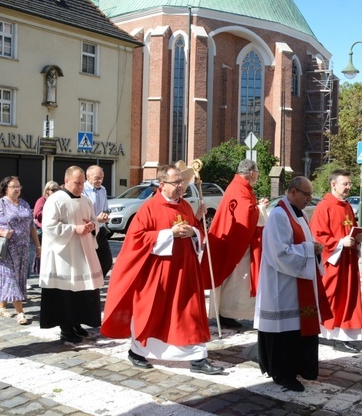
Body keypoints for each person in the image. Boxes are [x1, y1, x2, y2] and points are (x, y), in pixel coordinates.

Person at [101, 164, 223, 375]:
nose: (180, 186)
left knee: (189, 314)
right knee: (152, 314)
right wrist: (170, 234)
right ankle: (137, 352)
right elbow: (136, 239)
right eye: (175, 183)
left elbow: (198, 231)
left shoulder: (184, 205)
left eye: (181, 182)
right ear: (161, 184)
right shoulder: (149, 208)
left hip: (185, 272)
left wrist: (193, 231)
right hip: (159, 275)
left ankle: (197, 358)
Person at [254, 177, 332, 392]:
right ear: (292, 192)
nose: (309, 198)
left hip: (297, 283)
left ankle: (298, 368)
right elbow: (279, 253)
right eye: (306, 194)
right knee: (284, 332)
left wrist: (312, 248)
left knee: (296, 330)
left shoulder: (301, 214)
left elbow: (301, 244)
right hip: (282, 285)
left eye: (310, 194)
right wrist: (310, 249)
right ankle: (282, 373)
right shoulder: (279, 215)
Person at [200, 159, 268, 328]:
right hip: (234, 243)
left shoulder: (240, 186)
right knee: (234, 280)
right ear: (251, 173)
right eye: (257, 172)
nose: (258, 175)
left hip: (236, 241)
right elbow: (245, 214)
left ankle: (227, 313)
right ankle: (226, 313)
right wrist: (260, 208)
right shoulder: (239, 188)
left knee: (235, 280)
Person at [39, 166, 103, 343]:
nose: (81, 187)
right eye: (77, 183)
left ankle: (76, 323)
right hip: (63, 257)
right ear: (66, 181)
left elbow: (94, 221)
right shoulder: (55, 200)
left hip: (82, 253)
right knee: (66, 293)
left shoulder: (86, 201)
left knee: (81, 292)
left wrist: (91, 227)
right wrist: (75, 229)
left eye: (83, 183)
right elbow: (49, 227)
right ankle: (66, 328)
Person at [310, 169, 362, 353]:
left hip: (348, 262)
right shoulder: (324, 207)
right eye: (345, 183)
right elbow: (317, 237)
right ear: (334, 184)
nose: (349, 187)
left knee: (348, 299)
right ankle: (325, 333)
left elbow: (350, 228)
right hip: (333, 263)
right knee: (332, 298)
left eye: (349, 183)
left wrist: (357, 239)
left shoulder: (347, 206)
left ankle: (343, 335)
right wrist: (340, 242)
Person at [0, 176, 40, 325]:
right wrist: (2, 233)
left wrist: (38, 246)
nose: (17, 189)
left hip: (23, 248)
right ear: (5, 189)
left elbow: (31, 227)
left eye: (19, 186)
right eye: (13, 186)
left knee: (20, 278)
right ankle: (20, 312)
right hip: (6, 249)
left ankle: (1, 306)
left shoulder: (24, 204)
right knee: (10, 278)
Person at [82, 165, 112, 278]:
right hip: (88, 229)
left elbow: (105, 208)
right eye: (97, 178)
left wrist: (105, 215)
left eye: (102, 178)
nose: (100, 181)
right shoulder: (83, 189)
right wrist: (95, 218)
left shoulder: (103, 189)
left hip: (100, 229)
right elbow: (82, 212)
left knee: (106, 260)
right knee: (88, 261)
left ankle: (97, 281)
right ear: (88, 177)